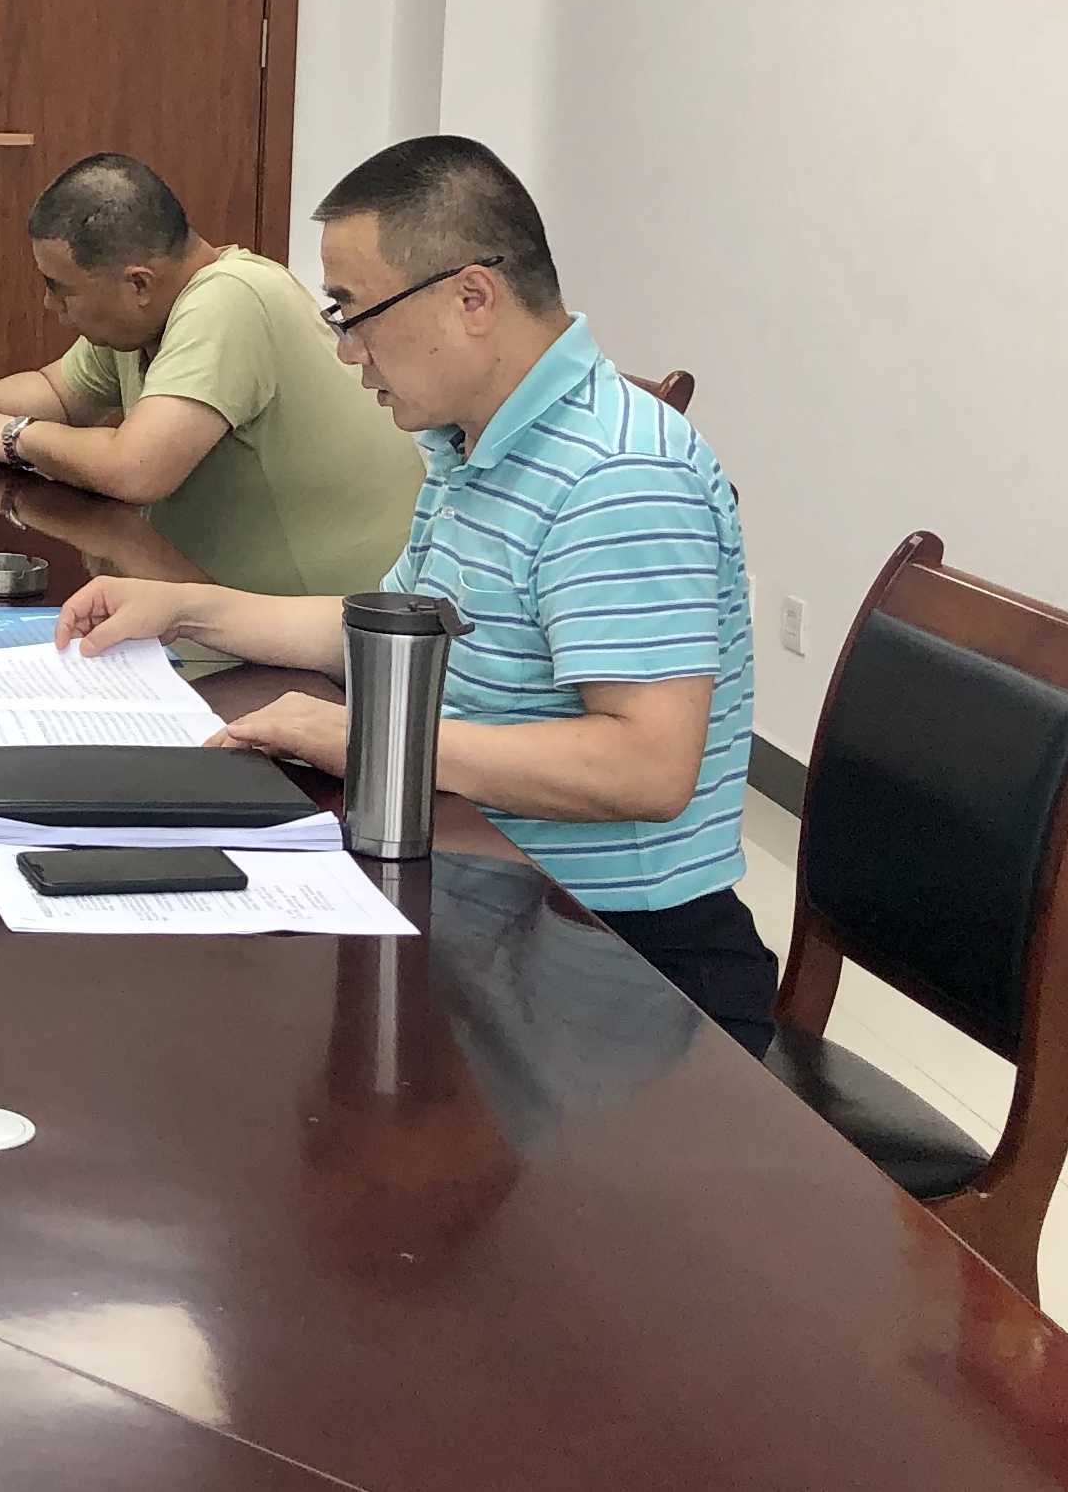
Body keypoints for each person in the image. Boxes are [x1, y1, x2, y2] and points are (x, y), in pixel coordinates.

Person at [56, 135, 774, 1054]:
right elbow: (385, 627)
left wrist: (371, 741)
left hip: (619, 960)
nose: (345, 350)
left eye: (355, 312)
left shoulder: (617, 474)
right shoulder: (473, 441)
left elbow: (645, 768)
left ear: (471, 296)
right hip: (492, 892)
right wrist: (184, 607)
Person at [0, 152, 420, 595]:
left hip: (336, 639)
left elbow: (136, 470)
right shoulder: (143, 320)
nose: (48, 304)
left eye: (61, 288)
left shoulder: (229, 299)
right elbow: (57, 391)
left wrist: (13, 436)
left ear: (139, 284)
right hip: (223, 608)